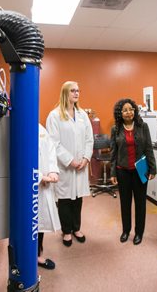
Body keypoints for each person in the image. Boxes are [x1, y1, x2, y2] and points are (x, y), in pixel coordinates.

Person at [46, 81, 93, 247]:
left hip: (81, 164)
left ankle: (76, 228)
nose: (77, 93)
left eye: (78, 90)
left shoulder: (82, 115)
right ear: (65, 93)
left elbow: (89, 139)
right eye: (73, 90)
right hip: (65, 166)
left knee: (78, 198)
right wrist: (70, 160)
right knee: (65, 199)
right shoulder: (54, 115)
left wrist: (86, 158)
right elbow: (54, 143)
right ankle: (66, 231)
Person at [110, 98, 156, 245]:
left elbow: (148, 148)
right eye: (125, 110)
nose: (129, 112)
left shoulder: (143, 126)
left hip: (141, 169)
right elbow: (113, 152)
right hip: (122, 171)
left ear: (135, 111)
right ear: (120, 113)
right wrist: (112, 173)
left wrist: (152, 168)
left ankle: (139, 233)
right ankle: (126, 231)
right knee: (125, 203)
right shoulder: (115, 129)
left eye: (131, 109)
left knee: (141, 203)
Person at [37, 124, 61, 270]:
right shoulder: (18, 125)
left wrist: (52, 171)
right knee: (30, 222)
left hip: (44, 183)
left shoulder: (40, 128)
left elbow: (50, 150)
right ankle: (28, 256)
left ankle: (37, 254)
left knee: (40, 221)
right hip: (30, 184)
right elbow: (19, 159)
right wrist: (40, 177)